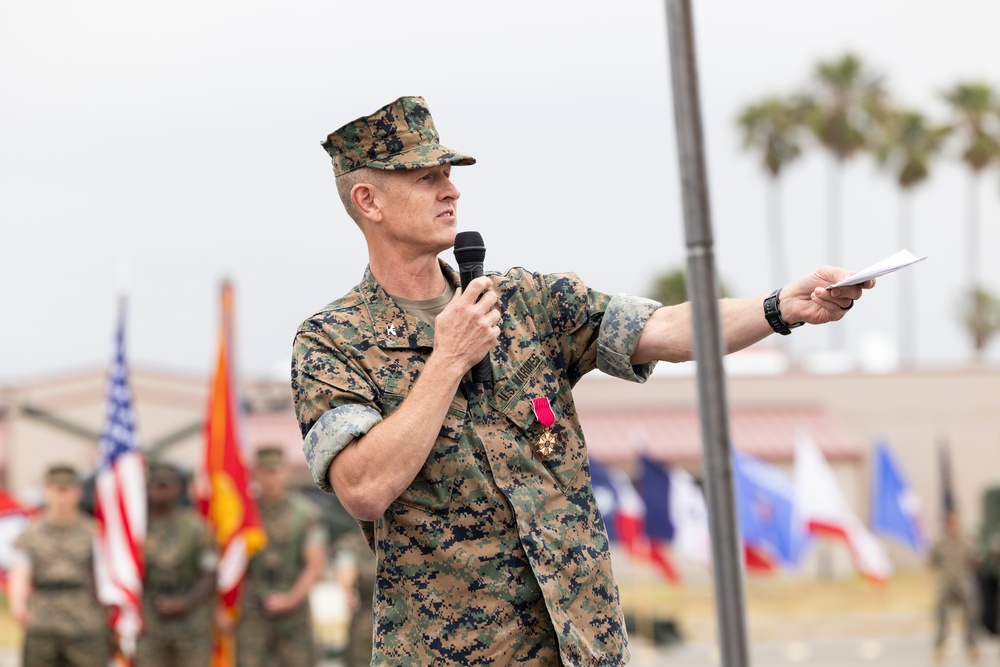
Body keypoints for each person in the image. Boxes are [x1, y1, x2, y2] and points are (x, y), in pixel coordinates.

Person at [291, 95, 875, 666]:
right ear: (368, 200)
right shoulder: (332, 342)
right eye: (426, 178)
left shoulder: (527, 302)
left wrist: (782, 306)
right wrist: (447, 360)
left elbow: (667, 328)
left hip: (583, 648)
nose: (452, 190)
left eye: (449, 173)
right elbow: (364, 490)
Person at [8, 464, 110, 667]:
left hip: (84, 622)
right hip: (43, 621)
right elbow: (20, 571)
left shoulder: (94, 532)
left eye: (67, 490)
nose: (62, 497)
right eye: (56, 490)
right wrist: (18, 604)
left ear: (78, 492)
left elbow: (103, 575)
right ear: (46, 492)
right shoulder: (30, 533)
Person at [236, 446, 327, 667]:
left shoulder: (305, 514)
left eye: (275, 471)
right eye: (265, 471)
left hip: (293, 612)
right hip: (251, 611)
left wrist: (290, 600)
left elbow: (315, 567)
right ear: (255, 473)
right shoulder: (243, 512)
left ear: (286, 471)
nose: (271, 477)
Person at [136, 461, 218, 667]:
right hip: (149, 622)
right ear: (147, 488)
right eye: (157, 485)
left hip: (191, 623)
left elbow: (210, 573)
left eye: (167, 485)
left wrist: (185, 603)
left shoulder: (196, 528)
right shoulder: (135, 530)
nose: (162, 491)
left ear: (178, 488)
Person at [929, 511, 980, 663]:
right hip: (946, 579)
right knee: (941, 612)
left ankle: (971, 645)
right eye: (951, 524)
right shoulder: (940, 542)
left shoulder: (967, 541)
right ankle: (939, 646)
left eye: (956, 523)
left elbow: (975, 561)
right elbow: (932, 561)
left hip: (962, 579)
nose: (953, 527)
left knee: (972, 609)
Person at [333, 526, 376, 667]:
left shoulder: (399, 537)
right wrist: (349, 592)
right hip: (367, 611)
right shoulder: (351, 543)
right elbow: (346, 570)